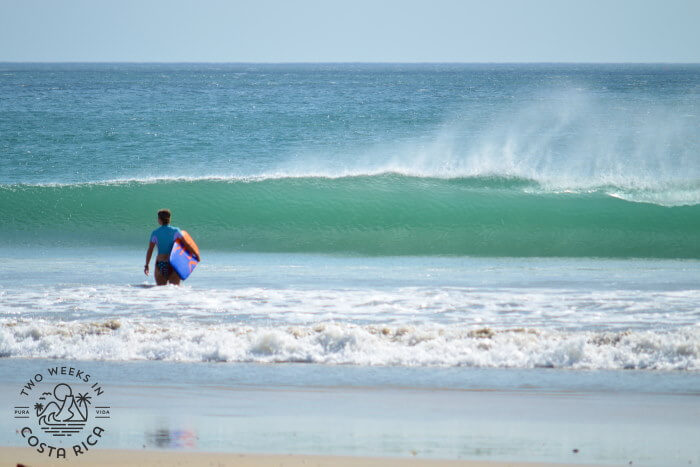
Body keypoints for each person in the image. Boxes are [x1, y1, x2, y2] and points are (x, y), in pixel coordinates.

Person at [144, 209, 195, 285]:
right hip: (173, 264)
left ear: (159, 219)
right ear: (169, 219)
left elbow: (150, 250)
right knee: (174, 291)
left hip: (160, 263)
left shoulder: (155, 233)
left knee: (160, 292)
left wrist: (147, 265)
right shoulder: (176, 231)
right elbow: (186, 246)